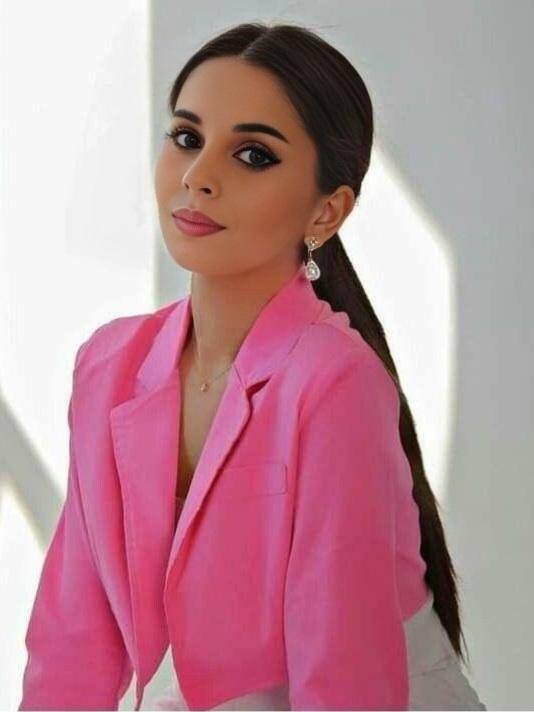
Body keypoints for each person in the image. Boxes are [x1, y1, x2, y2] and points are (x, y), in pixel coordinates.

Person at [19, 21, 486, 711]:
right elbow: (73, 639)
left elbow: (344, 676)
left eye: (253, 155)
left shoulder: (335, 382)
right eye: (187, 138)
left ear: (327, 211)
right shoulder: (109, 365)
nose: (198, 177)